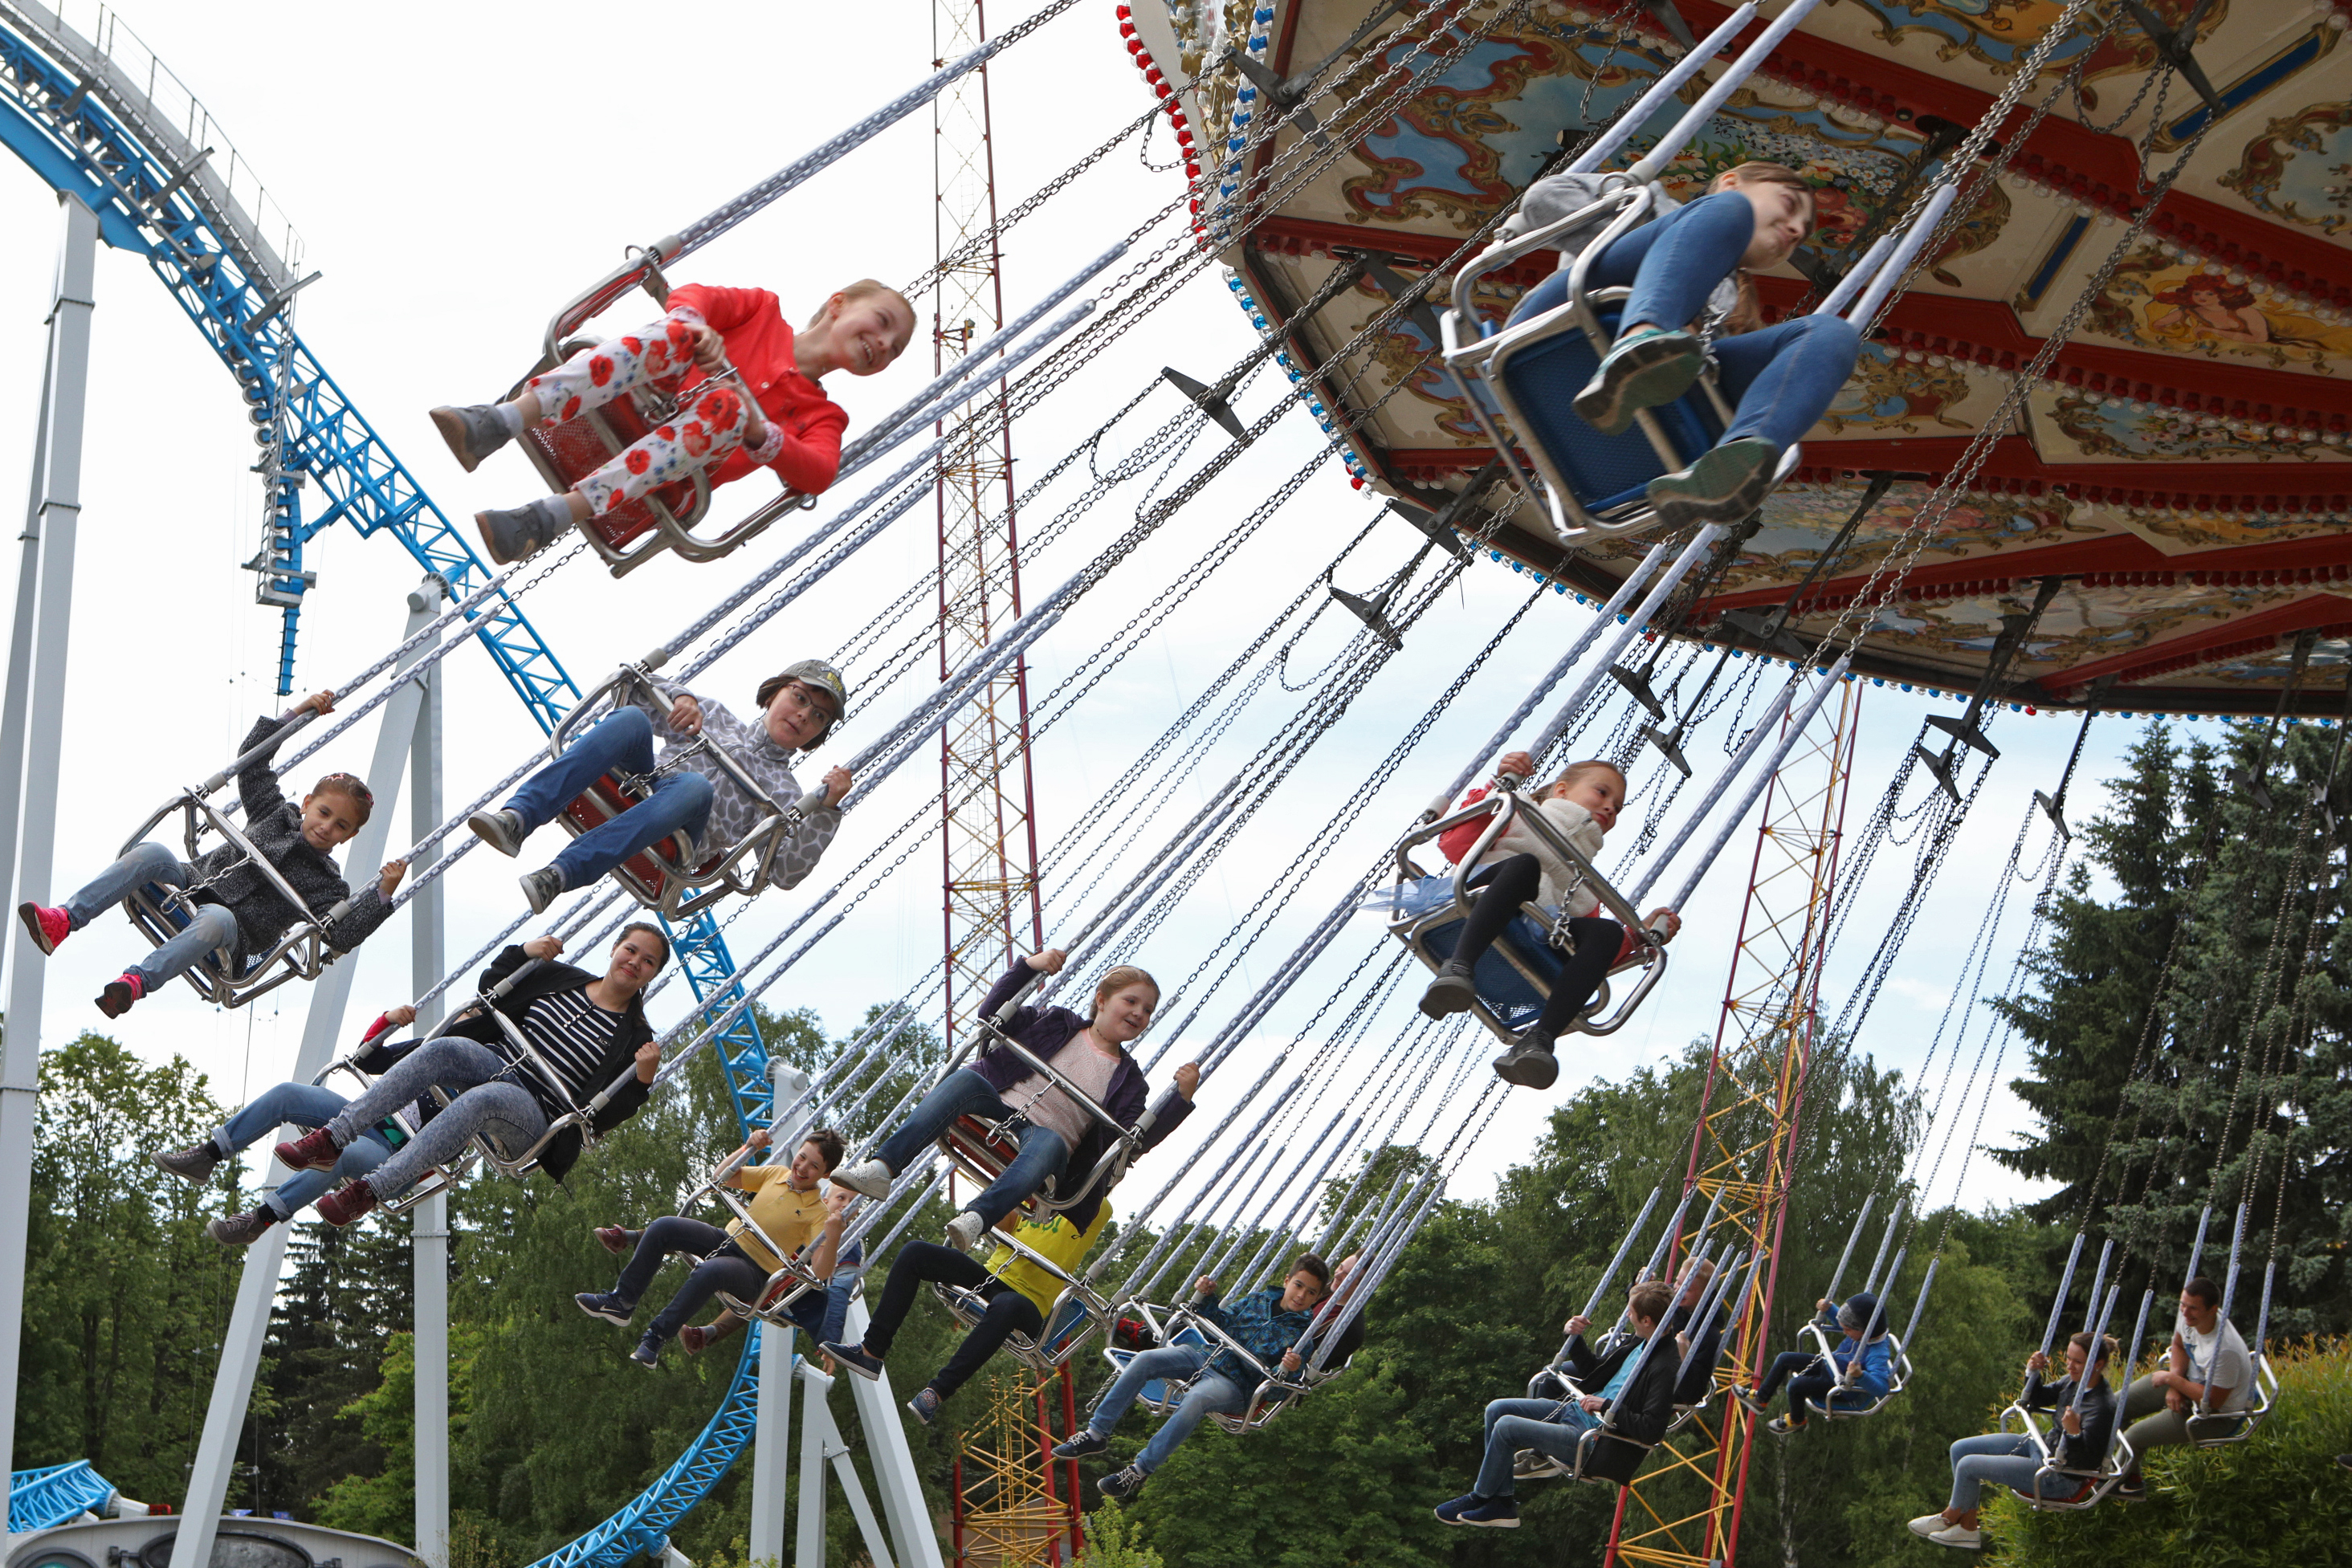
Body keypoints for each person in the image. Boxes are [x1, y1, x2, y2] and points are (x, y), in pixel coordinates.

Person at [433, 280, 917, 564]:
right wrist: (699, 325)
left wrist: (757, 431)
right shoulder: (761, 311)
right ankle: (500, 422)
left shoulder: (822, 415)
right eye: (882, 322)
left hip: (672, 474)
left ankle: (547, 518)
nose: (884, 344)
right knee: (681, 330)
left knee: (726, 409)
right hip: (630, 403)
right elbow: (696, 295)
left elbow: (818, 471)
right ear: (838, 305)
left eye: (895, 349)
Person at [1502, 161, 1861, 529]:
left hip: (1653, 409)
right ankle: (1641, 337)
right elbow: (1542, 199)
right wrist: (1653, 257)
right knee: (1729, 215)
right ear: (1731, 181)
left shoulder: (1736, 303)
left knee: (1832, 334)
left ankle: (1738, 461)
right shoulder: (1655, 204)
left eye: (1801, 236)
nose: (1796, 229)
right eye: (1788, 206)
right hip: (1568, 318)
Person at [18, 690, 407, 1017]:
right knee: (151, 852)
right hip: (192, 881)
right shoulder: (277, 813)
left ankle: (135, 982)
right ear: (307, 803)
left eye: (340, 826)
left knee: (216, 917)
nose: (327, 827)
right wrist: (298, 713)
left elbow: (340, 935)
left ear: (351, 834)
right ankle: (64, 920)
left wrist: (382, 894)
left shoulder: (328, 884)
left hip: (232, 935)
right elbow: (252, 760)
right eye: (324, 813)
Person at [267, 926, 671, 1226]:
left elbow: (602, 1117)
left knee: (485, 1099)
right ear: (615, 948)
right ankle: (333, 1137)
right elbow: (492, 989)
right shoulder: (562, 979)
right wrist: (523, 951)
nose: (634, 962)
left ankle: (370, 1190)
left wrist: (641, 1082)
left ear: (652, 975)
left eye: (647, 961)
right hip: (496, 1061)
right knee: (443, 1048)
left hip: (534, 1112)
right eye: (631, 950)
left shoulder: (635, 1038)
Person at [830, 947, 1200, 1251]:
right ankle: (883, 1169)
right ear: (1101, 1000)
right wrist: (1028, 967)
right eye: (1131, 1001)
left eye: (1148, 1010)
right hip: (1000, 1107)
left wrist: (1180, 1100)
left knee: (1049, 1141)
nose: (1139, 1013)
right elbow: (994, 1014)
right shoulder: (1057, 1022)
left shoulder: (1130, 1082)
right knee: (964, 1081)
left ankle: (978, 1217)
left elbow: (1133, 1141)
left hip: (1048, 1141)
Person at [468, 661, 854, 916]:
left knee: (694, 787)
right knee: (633, 719)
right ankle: (518, 817)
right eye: (799, 699)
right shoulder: (716, 716)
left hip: (680, 838)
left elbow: (785, 874)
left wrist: (825, 812)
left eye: (817, 716)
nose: (803, 714)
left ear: (816, 735)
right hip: (641, 787)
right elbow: (633, 693)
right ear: (774, 694)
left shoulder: (785, 794)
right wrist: (680, 696)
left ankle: (560, 874)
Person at [1420, 753, 1679, 1089]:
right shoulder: (1518, 811)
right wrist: (1498, 785)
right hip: (1481, 898)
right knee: (1525, 866)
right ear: (1561, 790)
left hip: (1535, 934)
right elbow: (1456, 844)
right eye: (1602, 793)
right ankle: (1458, 969)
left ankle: (1539, 1040)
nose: (1611, 807)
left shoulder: (1585, 883)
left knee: (1606, 931)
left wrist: (1639, 936)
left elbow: (1587, 960)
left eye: (1618, 806)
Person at [1053, 1252, 1355, 1501]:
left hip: (1235, 1383)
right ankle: (1096, 1434)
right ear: (1287, 1281)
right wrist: (1208, 1297)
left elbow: (1278, 1389)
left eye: (1311, 1292)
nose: (1301, 1295)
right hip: (1206, 1355)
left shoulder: (1303, 1335)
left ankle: (1138, 1471)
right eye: (1298, 1285)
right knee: (1145, 1359)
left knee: (1196, 1398)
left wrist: (1289, 1369)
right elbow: (1220, 1321)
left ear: (1317, 1298)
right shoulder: (1257, 1301)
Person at [573, 1126, 858, 1368]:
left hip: (754, 1271)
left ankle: (656, 1337)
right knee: (663, 1226)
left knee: (711, 1271)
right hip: (726, 1239)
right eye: (802, 1157)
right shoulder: (777, 1174)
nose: (802, 1167)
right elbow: (721, 1176)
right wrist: (747, 1147)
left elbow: (820, 1273)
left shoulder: (818, 1214)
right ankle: (621, 1301)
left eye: (814, 1166)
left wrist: (832, 1237)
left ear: (825, 1174)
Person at [153, 1004, 427, 1246]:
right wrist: (387, 1021)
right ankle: (207, 1156)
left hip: (396, 1159)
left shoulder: (469, 1087)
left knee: (339, 1152)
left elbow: (451, 1145)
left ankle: (258, 1221)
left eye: (470, 1014)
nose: (465, 1016)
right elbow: (365, 1060)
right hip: (363, 1120)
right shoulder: (430, 1047)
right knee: (288, 1094)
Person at [823, 1201, 1115, 1425]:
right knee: (915, 1253)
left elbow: (1082, 1198)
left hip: (1028, 1306)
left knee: (1008, 1304)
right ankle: (871, 1351)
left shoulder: (1097, 1205)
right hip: (992, 1279)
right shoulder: (1041, 1193)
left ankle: (936, 1393)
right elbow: (1005, 1223)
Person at [1435, 1279, 1681, 1527]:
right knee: (1497, 1410)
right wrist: (1574, 1338)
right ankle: (1503, 1502)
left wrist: (1606, 1406)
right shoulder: (1639, 1341)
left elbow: (1652, 1430)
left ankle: (1481, 1496)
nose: (1627, 1314)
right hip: (1574, 1411)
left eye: (1631, 1311)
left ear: (1647, 1320)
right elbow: (1595, 1371)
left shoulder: (1663, 1365)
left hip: (1593, 1439)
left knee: (1507, 1427)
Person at [1908, 1332, 2118, 1551]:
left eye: (2077, 1362)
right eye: (2068, 1359)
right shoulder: (2073, 1382)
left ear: (2097, 1364)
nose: (2069, 1366)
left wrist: (2074, 1433)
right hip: (2041, 1447)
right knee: (1959, 1449)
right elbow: (2038, 1398)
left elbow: (2085, 1461)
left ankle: (1949, 1517)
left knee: (1968, 1466)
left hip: (2057, 1474)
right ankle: (1968, 1526)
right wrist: (2033, 1372)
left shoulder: (2101, 1407)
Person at [2112, 1277, 2252, 1501]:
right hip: (2187, 1381)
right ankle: (2129, 1480)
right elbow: (2178, 1345)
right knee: (2113, 1407)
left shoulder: (2226, 1351)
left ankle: (2113, 1481)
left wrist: (2174, 1382)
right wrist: (2175, 1381)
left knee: (2133, 1437)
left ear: (2213, 1310)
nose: (2185, 1314)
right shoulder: (2189, 1316)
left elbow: (2213, 1402)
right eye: (2182, 1306)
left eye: (2193, 1309)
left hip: (2215, 1415)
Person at [1736, 1291, 1892, 1434]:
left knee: (1795, 1386)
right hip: (1830, 1365)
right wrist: (1829, 1308)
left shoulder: (1877, 1352)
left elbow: (1881, 1389)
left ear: (1866, 1331)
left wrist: (1860, 1375)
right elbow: (1842, 1323)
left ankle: (1798, 1421)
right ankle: (1760, 1400)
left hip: (1840, 1384)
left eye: (1848, 1330)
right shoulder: (1860, 1330)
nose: (1844, 1332)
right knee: (1784, 1359)